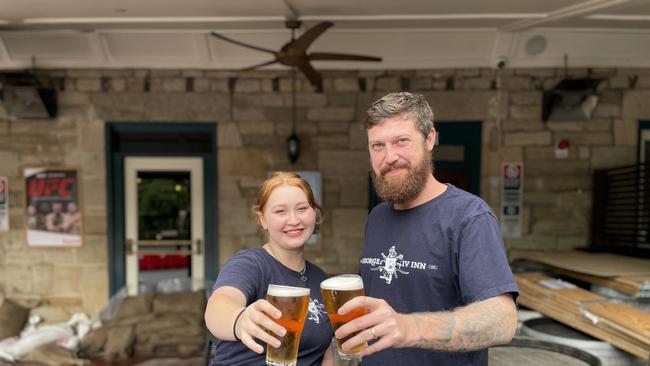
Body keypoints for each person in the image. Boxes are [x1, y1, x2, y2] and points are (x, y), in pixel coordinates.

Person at [335, 92, 519, 366]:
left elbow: (503, 320)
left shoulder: (469, 216)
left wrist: (409, 328)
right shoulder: (377, 217)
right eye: (378, 146)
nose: (390, 157)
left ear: (430, 139)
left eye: (401, 141)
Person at [205, 172, 334, 366]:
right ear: (262, 219)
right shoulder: (251, 264)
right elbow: (218, 307)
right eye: (280, 211)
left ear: (314, 214)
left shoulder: (321, 279)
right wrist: (239, 320)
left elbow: (325, 353)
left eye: (302, 209)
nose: (293, 220)